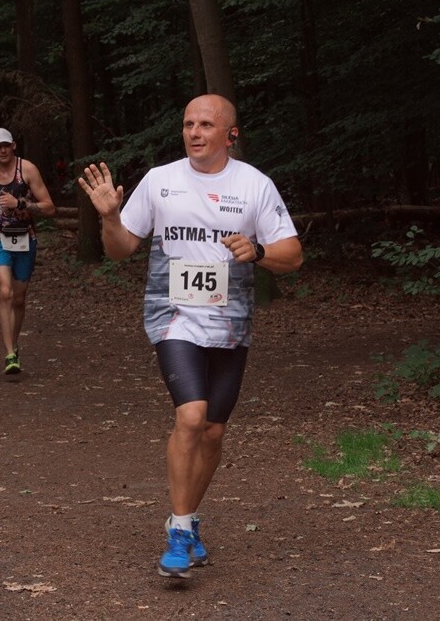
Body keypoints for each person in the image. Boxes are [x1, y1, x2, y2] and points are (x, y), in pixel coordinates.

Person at [78, 94, 303, 578]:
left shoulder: (254, 185)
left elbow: (292, 254)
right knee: (192, 415)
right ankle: (179, 531)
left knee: (215, 431)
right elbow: (121, 251)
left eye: (205, 125)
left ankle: (189, 517)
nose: (194, 133)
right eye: (187, 124)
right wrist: (110, 217)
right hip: (172, 317)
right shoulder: (161, 181)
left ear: (230, 135)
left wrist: (258, 250)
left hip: (230, 322)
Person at [0, 128, 56, 374]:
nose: (3, 150)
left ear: (14, 145)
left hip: (24, 238)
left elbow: (49, 207)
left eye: (7, 145)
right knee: (5, 291)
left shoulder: (27, 170)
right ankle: (9, 354)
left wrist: (19, 203)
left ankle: (14, 343)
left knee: (18, 297)